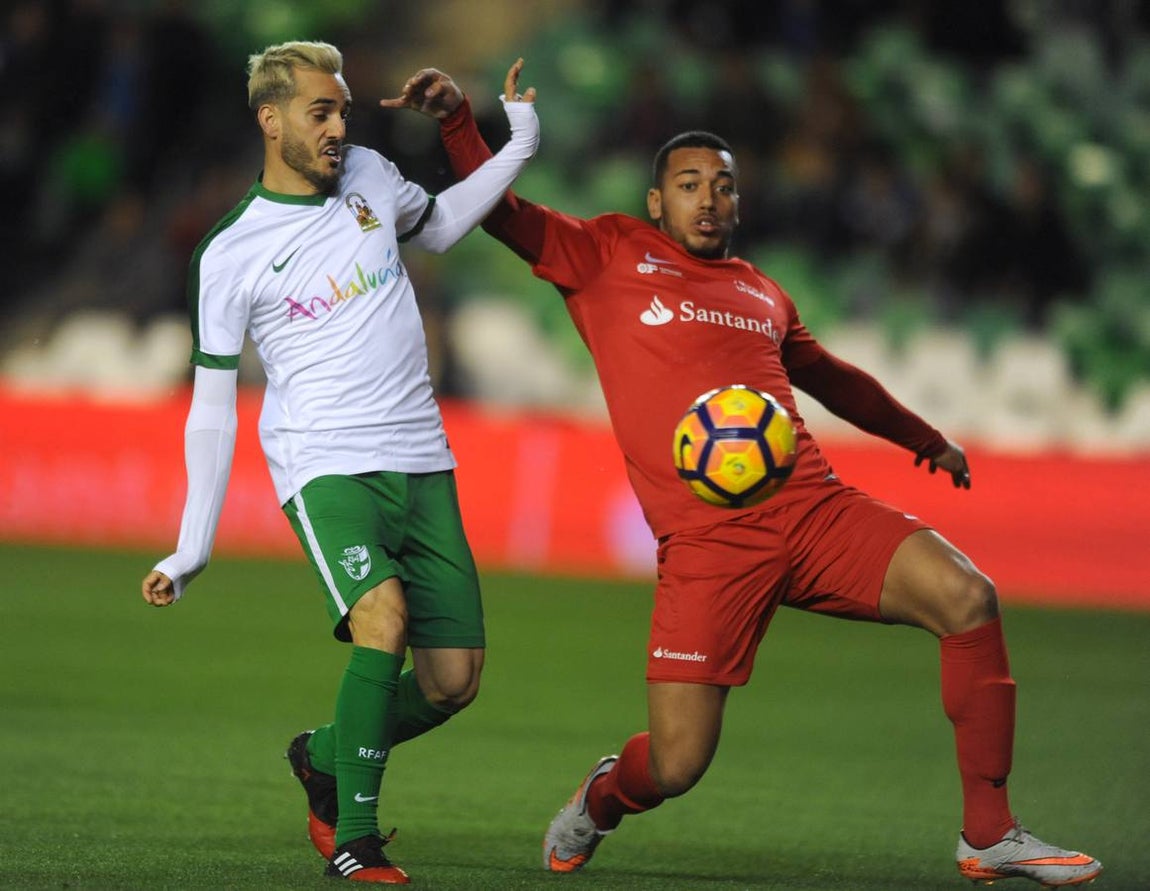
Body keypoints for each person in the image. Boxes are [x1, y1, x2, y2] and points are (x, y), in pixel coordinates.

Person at [382, 66, 1103, 888]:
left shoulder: (762, 291)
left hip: (813, 509)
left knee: (969, 595)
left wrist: (923, 437)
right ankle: (605, 794)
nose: (709, 198)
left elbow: (831, 377)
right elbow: (501, 212)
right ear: (657, 202)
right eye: (689, 184)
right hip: (708, 542)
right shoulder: (607, 252)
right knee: (678, 763)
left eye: (724, 186)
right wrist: (456, 124)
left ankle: (990, 832)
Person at [139, 44, 538, 885]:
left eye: (343, 111)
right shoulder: (230, 252)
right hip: (325, 465)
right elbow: (212, 406)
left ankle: (322, 757)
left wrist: (519, 145)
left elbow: (439, 222)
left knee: (453, 681)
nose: (338, 128)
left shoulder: (367, 172)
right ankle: (356, 838)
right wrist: (191, 545)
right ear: (270, 119)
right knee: (381, 621)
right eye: (320, 112)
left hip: (423, 459)